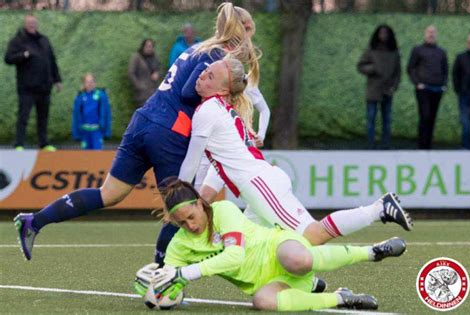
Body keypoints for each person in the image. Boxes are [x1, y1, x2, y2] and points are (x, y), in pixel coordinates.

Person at [13, 3, 261, 264]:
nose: (250, 39)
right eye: (249, 32)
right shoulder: (217, 57)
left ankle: (33, 221)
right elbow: (191, 91)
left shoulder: (195, 49)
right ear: (241, 30)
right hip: (169, 131)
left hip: (144, 120)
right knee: (180, 205)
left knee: (108, 194)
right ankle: (161, 276)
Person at [178, 57, 412, 250]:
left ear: (223, 89)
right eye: (206, 71)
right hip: (259, 186)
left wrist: (178, 198)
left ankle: (379, 209)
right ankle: (309, 285)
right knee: (241, 248)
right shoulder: (219, 109)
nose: (202, 75)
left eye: (210, 76)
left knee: (313, 235)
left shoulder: (208, 110)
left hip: (261, 187)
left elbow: (192, 160)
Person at [134, 179, 407, 311]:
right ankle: (341, 298)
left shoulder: (224, 210)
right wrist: (158, 288)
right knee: (262, 302)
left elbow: (235, 257)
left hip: (279, 248)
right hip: (266, 282)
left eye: (191, 217)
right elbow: (170, 281)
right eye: (182, 224)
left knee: (297, 259)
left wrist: (182, 274)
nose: (190, 226)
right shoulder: (179, 246)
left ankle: (371, 253)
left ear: (199, 203)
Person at [4, 14, 62, 152]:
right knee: (23, 117)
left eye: (34, 23)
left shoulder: (44, 40)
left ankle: (44, 143)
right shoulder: (18, 41)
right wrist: (22, 55)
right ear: (25, 24)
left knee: (43, 117)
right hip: (27, 88)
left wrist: (57, 80)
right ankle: (19, 143)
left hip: (44, 87)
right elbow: (8, 58)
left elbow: (52, 61)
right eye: (29, 23)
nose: (32, 25)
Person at [357, 24, 401, 150]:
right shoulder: (371, 49)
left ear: (390, 35)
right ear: (377, 35)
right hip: (373, 90)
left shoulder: (394, 52)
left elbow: (398, 72)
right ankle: (370, 146)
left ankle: (385, 146)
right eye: (381, 33)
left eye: (386, 33)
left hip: (388, 90)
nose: (383, 35)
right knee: (371, 119)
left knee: (387, 120)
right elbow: (360, 66)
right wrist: (372, 68)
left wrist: (394, 86)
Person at [407, 25, 448, 149]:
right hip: (423, 89)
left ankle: (428, 145)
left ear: (436, 34)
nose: (431, 34)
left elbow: (445, 69)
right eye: (429, 32)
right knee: (425, 116)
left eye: (433, 32)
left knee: (432, 117)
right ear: (425, 34)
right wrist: (417, 83)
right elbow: (410, 68)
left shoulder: (441, 52)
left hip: (437, 89)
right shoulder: (417, 50)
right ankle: (422, 145)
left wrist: (444, 85)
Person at [72, 73, 112, 150]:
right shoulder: (80, 97)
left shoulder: (101, 96)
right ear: (84, 84)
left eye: (92, 81)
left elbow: (107, 114)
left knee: (97, 156)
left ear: (95, 83)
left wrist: (107, 131)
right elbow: (76, 115)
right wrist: (76, 133)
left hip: (97, 131)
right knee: (86, 157)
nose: (89, 84)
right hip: (85, 132)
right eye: (87, 82)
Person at [453, 34, 470, 150]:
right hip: (464, 95)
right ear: (467, 43)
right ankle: (465, 147)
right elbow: (455, 75)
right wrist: (459, 90)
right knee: (465, 122)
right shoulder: (460, 57)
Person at [128, 39, 160, 107]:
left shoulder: (154, 57)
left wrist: (157, 74)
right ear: (143, 46)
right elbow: (131, 73)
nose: (149, 48)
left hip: (153, 91)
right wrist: (138, 85)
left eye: (151, 46)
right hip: (142, 94)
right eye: (147, 46)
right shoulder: (137, 57)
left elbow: (159, 69)